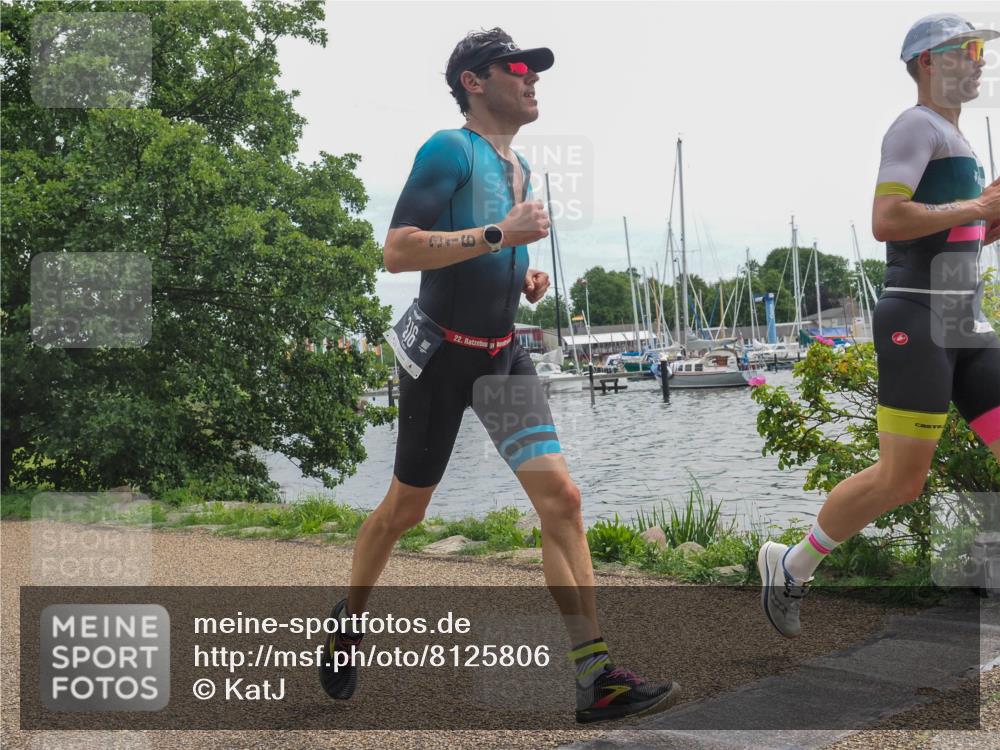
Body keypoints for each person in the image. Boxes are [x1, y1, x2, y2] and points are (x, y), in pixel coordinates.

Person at [319, 27, 680, 723]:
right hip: (442, 358)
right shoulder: (447, 148)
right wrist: (499, 239)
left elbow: (492, 254)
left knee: (562, 502)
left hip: (500, 354)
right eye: (517, 67)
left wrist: (522, 273)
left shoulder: (517, 169)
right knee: (406, 511)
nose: (532, 78)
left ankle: (595, 678)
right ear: (473, 82)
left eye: (535, 69)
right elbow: (397, 252)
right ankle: (349, 620)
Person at [758, 13, 1000, 638]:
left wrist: (989, 215)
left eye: (980, 50)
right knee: (901, 480)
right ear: (927, 63)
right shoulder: (913, 127)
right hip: (917, 316)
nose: (978, 59)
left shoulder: (960, 141)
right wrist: (978, 204)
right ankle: (791, 565)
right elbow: (888, 220)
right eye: (965, 50)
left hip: (966, 319)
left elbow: (959, 229)